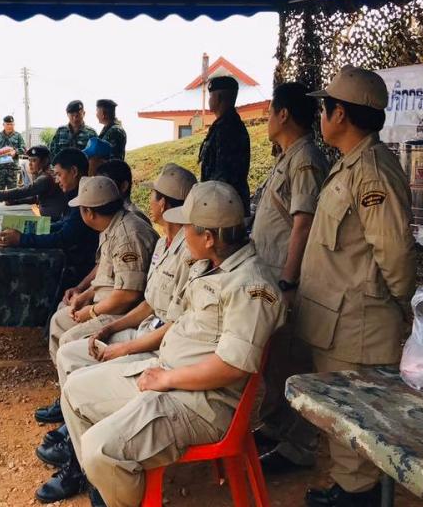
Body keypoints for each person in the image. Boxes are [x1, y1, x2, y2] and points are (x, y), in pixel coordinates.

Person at [42, 181, 284, 506]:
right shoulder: (208, 266)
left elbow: (232, 366)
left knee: (100, 449)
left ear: (208, 238)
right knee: (74, 391)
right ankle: (105, 488)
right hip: (168, 375)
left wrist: (166, 379)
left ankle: (113, 488)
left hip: (202, 403)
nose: (182, 233)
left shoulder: (250, 287)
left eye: (188, 227)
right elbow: (173, 319)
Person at [299, 66, 416, 507]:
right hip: (338, 319)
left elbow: (395, 251)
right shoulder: (349, 164)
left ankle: (357, 497)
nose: (322, 116)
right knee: (342, 419)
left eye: (325, 108)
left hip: (359, 323)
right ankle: (348, 488)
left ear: (341, 114)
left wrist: (398, 306)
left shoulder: (371, 172)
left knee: (358, 419)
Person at [36, 164, 197, 472]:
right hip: (143, 327)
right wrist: (109, 325)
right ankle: (74, 422)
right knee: (70, 348)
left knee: (74, 346)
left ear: (164, 204)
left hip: (159, 345)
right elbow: (150, 301)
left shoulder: (187, 252)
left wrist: (110, 331)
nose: (149, 202)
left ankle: (79, 455)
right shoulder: (165, 243)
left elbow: (158, 312)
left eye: (153, 196)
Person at [33, 176, 158, 429]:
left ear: (89, 212)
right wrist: (83, 293)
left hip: (123, 313)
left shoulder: (128, 234)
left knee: (70, 341)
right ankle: (67, 397)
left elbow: (128, 295)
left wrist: (91, 311)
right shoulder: (111, 225)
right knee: (60, 319)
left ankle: (81, 407)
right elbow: (105, 272)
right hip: (106, 301)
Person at [249, 82, 329, 473]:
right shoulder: (289, 156)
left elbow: (304, 223)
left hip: (287, 279)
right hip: (272, 276)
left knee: (293, 359)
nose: (266, 119)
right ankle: (276, 425)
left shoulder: (306, 159)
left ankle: (298, 446)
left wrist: (288, 281)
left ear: (283, 114)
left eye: (270, 112)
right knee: (276, 359)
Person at [0, 148, 98, 309]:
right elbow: (64, 224)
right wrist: (30, 229)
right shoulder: (76, 194)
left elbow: (64, 238)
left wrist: (22, 239)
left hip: (81, 268)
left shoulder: (85, 199)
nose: (57, 180)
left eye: (59, 174)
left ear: (74, 172)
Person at [198, 75, 251, 211]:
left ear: (219, 98)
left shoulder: (228, 128)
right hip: (222, 202)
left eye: (211, 96)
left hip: (224, 205)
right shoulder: (223, 125)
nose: (209, 100)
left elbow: (223, 175)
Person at [0, 145, 66, 220]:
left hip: (54, 221)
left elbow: (23, 191)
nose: (30, 164)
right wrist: (15, 201)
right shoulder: (46, 175)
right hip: (52, 218)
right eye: (29, 160)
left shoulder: (45, 178)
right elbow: (36, 198)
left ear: (44, 162)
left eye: (34, 161)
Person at [95, 159, 150, 224]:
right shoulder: (117, 214)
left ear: (124, 186)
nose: (99, 190)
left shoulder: (134, 216)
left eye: (105, 184)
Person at [0, 115, 26, 191]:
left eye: (11, 124)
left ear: (14, 124)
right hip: (1, 169)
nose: (10, 126)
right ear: (3, 124)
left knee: (12, 192)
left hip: (12, 169)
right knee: (0, 192)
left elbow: (24, 149)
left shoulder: (18, 136)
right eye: (8, 124)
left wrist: (15, 152)